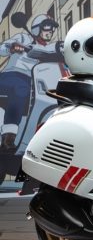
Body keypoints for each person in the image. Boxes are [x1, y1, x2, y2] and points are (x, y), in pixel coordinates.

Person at [0, 14, 58, 149]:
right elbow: (2, 49)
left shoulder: (49, 48)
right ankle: (9, 134)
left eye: (52, 28)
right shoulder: (23, 38)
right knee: (21, 87)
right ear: (37, 28)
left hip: (35, 81)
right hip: (13, 75)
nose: (50, 31)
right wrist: (12, 47)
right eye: (47, 27)